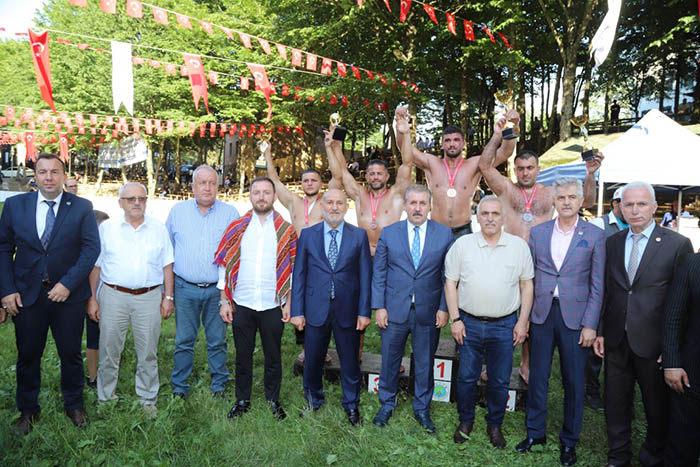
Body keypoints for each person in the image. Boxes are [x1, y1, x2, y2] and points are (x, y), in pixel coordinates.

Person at [478, 126, 597, 383]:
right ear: (514, 170)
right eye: (520, 168)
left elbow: (586, 201)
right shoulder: (506, 189)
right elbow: (485, 166)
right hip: (507, 259)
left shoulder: (550, 192)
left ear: (538, 169)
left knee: (532, 315)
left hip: (540, 262)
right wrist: (497, 135)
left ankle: (526, 364)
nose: (525, 172)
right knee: (500, 313)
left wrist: (590, 175)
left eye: (529, 168)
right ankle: (496, 363)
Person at [593, 181, 693, 467]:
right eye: (628, 204)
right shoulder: (612, 243)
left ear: (654, 206)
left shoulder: (677, 245)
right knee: (615, 404)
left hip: (655, 344)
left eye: (641, 204)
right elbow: (609, 291)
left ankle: (653, 457)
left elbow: (685, 302)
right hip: (616, 341)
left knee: (657, 408)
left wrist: (673, 349)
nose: (634, 210)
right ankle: (618, 457)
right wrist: (601, 331)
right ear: (620, 208)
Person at [0, 153, 100, 434]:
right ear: (35, 176)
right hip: (27, 295)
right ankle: (28, 410)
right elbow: (3, 248)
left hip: (69, 296)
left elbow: (91, 249)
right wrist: (7, 290)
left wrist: (67, 283)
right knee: (28, 354)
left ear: (64, 176)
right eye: (42, 172)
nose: (48, 177)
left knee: (70, 353)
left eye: (55, 172)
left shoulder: (81, 207)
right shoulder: (15, 205)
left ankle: (74, 405)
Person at [516, 177, 605, 466]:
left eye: (571, 197)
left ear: (581, 200)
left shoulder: (595, 235)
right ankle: (535, 433)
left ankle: (569, 441)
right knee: (537, 376)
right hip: (542, 314)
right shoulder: (539, 232)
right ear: (553, 200)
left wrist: (591, 324)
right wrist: (525, 318)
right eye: (561, 197)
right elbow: (528, 279)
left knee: (574, 381)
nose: (566, 202)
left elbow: (598, 284)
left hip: (576, 319)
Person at [445, 195, 534, 449]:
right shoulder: (463, 245)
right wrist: (455, 319)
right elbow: (450, 283)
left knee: (499, 380)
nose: (490, 218)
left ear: (503, 217)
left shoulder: (518, 247)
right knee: (466, 377)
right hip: (469, 323)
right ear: (477, 217)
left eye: (495, 214)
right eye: (485, 213)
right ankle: (466, 421)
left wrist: (523, 322)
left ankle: (495, 425)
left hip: (504, 325)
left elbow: (527, 285)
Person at [325, 111, 414, 362]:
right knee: (358, 306)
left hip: (390, 258)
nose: (375, 177)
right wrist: (334, 145)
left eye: (379, 173)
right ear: (367, 176)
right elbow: (342, 173)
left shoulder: (397, 194)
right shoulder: (359, 195)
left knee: (393, 309)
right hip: (362, 258)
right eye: (371, 173)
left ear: (387, 176)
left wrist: (405, 133)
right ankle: (356, 354)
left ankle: (393, 359)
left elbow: (407, 164)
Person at [87, 182, 174, 420]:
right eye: (131, 199)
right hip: (113, 296)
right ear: (120, 203)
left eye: (141, 198)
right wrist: (92, 298)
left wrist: (168, 296)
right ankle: (106, 400)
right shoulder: (107, 229)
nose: (137, 203)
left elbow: (167, 264)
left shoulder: (158, 228)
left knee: (148, 352)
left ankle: (147, 401)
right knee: (109, 351)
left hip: (148, 297)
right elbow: (96, 267)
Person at [371, 184, 454, 433]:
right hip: (394, 309)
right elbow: (379, 272)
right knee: (390, 359)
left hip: (428, 310)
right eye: (413, 203)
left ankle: (422, 408)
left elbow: (448, 275)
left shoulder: (444, 234)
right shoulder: (389, 233)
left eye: (422, 203)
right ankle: (387, 404)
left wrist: (444, 307)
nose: (417, 208)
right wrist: (379, 306)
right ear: (405, 205)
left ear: (430, 206)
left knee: (425, 361)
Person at [215, 176, 297, 422]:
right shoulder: (237, 228)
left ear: (274, 196)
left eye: (266, 192)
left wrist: (289, 302)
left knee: (273, 356)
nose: (261, 197)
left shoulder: (286, 230)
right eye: (256, 192)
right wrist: (224, 300)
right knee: (243, 355)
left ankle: (273, 399)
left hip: (273, 303)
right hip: (242, 302)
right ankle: (242, 400)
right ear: (250, 196)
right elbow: (225, 265)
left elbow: (292, 269)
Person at [290, 189, 371, 426]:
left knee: (350, 361)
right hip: (315, 309)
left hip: (348, 310)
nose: (334, 207)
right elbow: (300, 274)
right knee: (312, 360)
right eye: (330, 203)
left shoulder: (359, 236)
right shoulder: (308, 235)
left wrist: (364, 311)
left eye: (339, 203)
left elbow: (365, 276)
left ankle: (351, 405)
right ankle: (313, 400)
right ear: (322, 206)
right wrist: (297, 311)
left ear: (346, 207)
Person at [262, 139, 340, 363]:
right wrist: (267, 153)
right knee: (299, 302)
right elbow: (275, 181)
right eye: (306, 180)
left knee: (323, 303)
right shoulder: (294, 202)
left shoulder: (328, 201)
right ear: (302, 183)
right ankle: (306, 347)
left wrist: (329, 147)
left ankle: (323, 348)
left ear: (321, 183)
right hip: (297, 259)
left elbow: (338, 177)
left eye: (314, 180)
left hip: (322, 260)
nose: (309, 183)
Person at [167, 165, 240, 399]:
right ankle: (179, 386)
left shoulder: (230, 214)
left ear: (218, 186)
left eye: (212, 183)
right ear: (192, 186)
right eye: (202, 183)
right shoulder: (177, 212)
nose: (207, 188)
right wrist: (167, 293)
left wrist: (227, 295)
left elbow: (235, 254)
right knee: (184, 340)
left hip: (216, 291)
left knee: (217, 340)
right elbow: (167, 251)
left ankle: (219, 386)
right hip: (184, 288)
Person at [395, 105, 519, 238]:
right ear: (442, 144)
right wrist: (400, 128)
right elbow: (404, 148)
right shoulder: (431, 163)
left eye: (456, 140)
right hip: (436, 229)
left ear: (463, 143)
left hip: (463, 231)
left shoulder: (475, 164)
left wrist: (513, 125)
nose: (452, 144)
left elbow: (505, 152)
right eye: (447, 141)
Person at [586, 186, 627, 409]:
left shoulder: (636, 226)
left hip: (621, 296)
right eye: (624, 203)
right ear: (615, 203)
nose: (629, 208)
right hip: (600, 292)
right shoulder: (599, 225)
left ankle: (616, 392)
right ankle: (591, 390)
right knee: (593, 345)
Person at [662, 253, 700, 466]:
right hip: (691, 374)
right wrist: (671, 363)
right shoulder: (692, 264)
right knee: (682, 444)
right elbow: (673, 316)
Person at [84, 209, 110, 389]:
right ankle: (93, 377)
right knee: (93, 337)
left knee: (106, 337)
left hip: (109, 296)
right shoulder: (87, 248)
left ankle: (106, 374)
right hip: (89, 296)